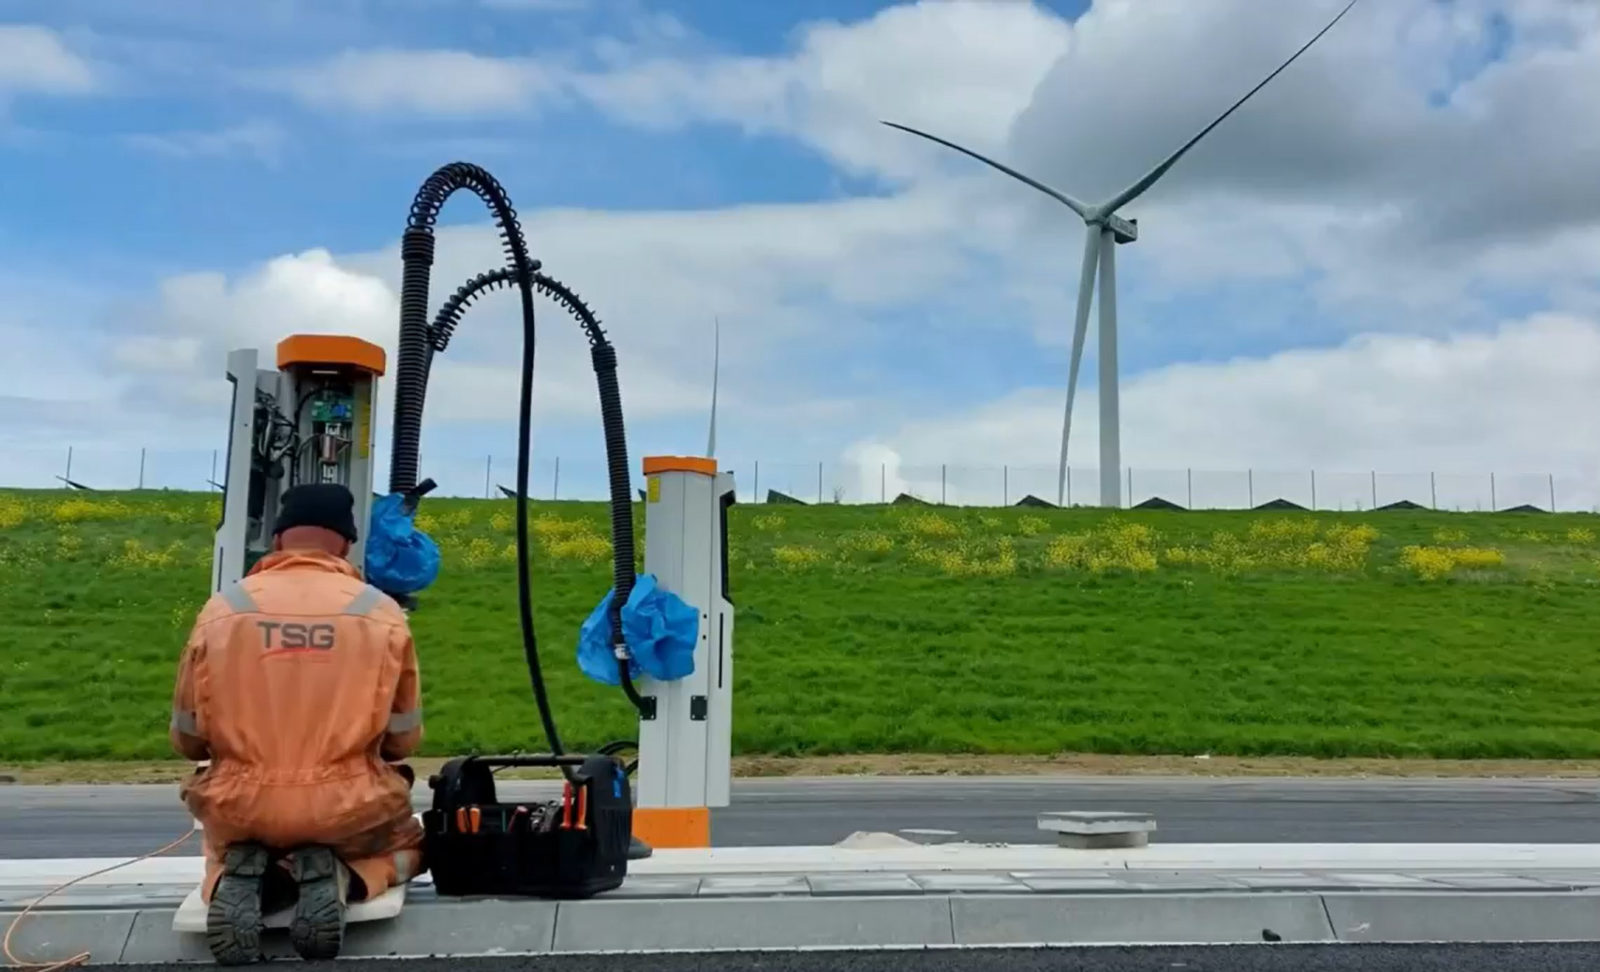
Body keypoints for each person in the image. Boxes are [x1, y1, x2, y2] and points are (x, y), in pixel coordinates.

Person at [169, 483, 426, 964]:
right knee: (412, 847)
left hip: (241, 809)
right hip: (347, 810)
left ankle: (241, 878)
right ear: (346, 543)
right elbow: (402, 738)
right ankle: (350, 878)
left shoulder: (222, 610)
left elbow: (187, 737)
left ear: (279, 539)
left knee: (223, 849)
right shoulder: (381, 613)